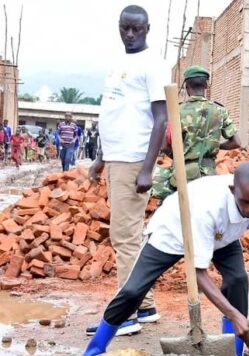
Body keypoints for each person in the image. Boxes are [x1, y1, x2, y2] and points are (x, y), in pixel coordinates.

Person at [82, 162, 249, 356]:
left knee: (238, 280)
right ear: (232, 190)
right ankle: (95, 350)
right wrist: (235, 315)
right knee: (133, 291)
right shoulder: (208, 206)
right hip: (173, 231)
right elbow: (199, 273)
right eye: (246, 202)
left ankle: (234, 355)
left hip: (224, 234)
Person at [86, 4, 170, 336]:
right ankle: (145, 306)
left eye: (137, 29)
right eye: (125, 28)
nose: (130, 34)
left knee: (124, 237)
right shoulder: (120, 63)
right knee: (130, 235)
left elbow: (161, 118)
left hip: (134, 159)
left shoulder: (153, 64)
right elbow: (115, 110)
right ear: (119, 27)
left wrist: (147, 168)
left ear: (147, 28)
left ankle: (126, 316)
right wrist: (101, 156)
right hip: (118, 156)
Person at [151, 65, 239, 200]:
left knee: (180, 213)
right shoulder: (219, 110)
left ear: (186, 87)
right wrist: (214, 144)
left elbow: (164, 146)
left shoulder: (177, 110)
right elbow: (237, 142)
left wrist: (184, 152)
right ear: (206, 86)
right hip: (208, 176)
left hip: (182, 175)